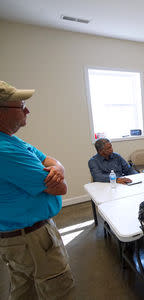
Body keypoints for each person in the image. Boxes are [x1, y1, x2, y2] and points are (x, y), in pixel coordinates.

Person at [0, 81, 75, 299]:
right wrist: (59, 174)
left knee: (24, 288)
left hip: (20, 236)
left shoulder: (12, 141)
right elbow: (60, 187)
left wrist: (58, 167)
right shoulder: (5, 150)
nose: (27, 110)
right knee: (58, 288)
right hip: (30, 239)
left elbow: (49, 160)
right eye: (21, 105)